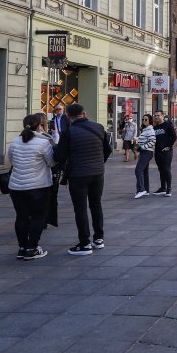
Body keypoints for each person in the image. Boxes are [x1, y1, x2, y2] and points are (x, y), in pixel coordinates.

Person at [54, 103, 111, 256]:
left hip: (78, 175)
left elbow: (59, 156)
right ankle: (99, 238)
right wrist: (99, 162)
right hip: (98, 173)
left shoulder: (68, 132)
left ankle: (85, 243)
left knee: (80, 209)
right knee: (96, 205)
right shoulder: (99, 127)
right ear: (84, 113)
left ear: (67, 116)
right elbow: (108, 149)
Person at [6, 113, 55, 260]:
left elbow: (11, 160)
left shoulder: (15, 141)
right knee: (38, 217)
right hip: (38, 186)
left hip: (16, 186)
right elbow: (52, 162)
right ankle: (32, 248)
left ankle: (22, 248)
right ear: (39, 126)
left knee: (21, 217)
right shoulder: (43, 143)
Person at [152, 110, 176, 196]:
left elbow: (174, 136)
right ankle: (163, 188)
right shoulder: (155, 128)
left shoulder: (168, 125)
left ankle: (169, 189)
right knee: (161, 170)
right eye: (155, 115)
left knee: (166, 169)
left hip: (167, 152)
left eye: (158, 115)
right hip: (158, 151)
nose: (156, 117)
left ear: (162, 116)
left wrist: (169, 146)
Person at [134, 115, 156, 198]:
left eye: (146, 119)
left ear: (149, 120)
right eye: (143, 119)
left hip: (147, 152)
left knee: (138, 170)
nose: (144, 120)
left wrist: (142, 147)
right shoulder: (145, 130)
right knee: (144, 171)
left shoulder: (150, 130)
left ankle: (141, 190)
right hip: (145, 152)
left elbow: (152, 142)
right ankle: (146, 190)